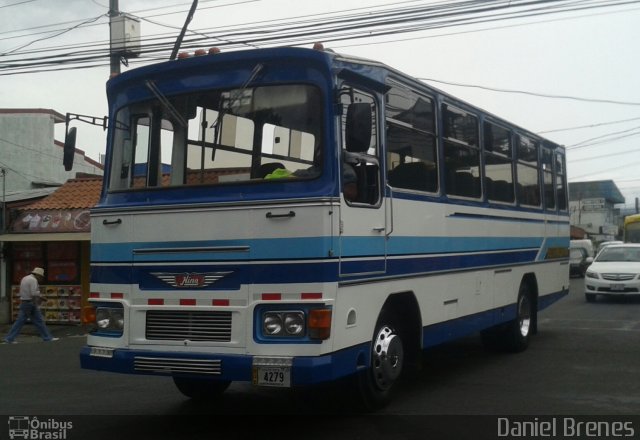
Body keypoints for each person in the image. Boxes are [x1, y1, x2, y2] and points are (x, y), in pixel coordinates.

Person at [3, 268, 59, 344]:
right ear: (37, 275)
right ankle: (47, 337)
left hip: (24, 301)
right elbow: (33, 293)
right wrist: (42, 298)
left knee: (29, 321)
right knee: (33, 321)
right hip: (30, 302)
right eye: (40, 276)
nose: (40, 278)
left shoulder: (25, 278)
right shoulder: (33, 280)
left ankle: (47, 337)